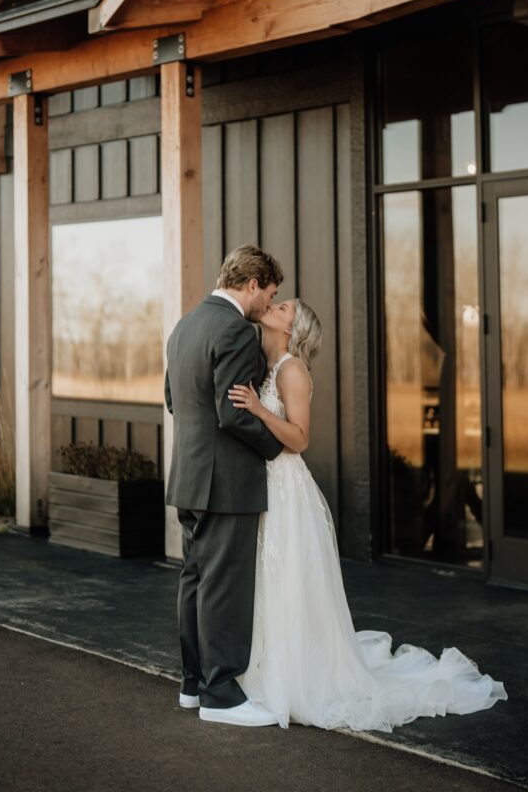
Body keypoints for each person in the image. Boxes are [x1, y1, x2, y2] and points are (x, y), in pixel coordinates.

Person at [228, 298, 508, 731]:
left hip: (286, 489)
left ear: (292, 328)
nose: (274, 303)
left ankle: (296, 678)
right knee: (270, 579)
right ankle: (268, 666)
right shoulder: (265, 365)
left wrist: (260, 410)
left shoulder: (291, 370)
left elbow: (300, 439)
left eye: (284, 306)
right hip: (265, 486)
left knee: (287, 579)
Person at [164, 245, 285, 727]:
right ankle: (222, 696)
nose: (267, 304)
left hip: (190, 476)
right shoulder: (235, 329)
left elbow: (174, 399)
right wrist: (278, 446)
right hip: (225, 482)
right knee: (224, 587)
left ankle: (193, 684)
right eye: (270, 293)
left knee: (195, 579)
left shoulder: (185, 326)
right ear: (252, 283)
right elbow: (233, 411)